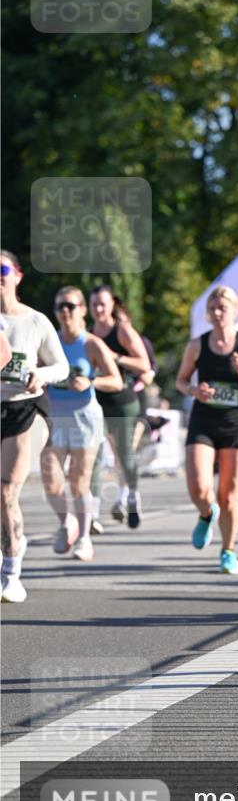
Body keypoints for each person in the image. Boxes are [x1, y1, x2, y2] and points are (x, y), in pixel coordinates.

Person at [176, 286, 238, 574]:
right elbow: (180, 381)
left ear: (235, 311)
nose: (216, 314)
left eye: (222, 308)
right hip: (203, 421)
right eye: (212, 309)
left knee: (228, 496)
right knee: (198, 486)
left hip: (235, 425)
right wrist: (193, 389)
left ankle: (228, 551)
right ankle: (206, 513)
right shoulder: (197, 345)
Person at [1, 250, 69, 603]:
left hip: (27, 407)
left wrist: (40, 374)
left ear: (17, 276)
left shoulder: (35, 321)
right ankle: (10, 543)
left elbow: (62, 367)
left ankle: (11, 573)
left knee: (8, 488)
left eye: (2, 268)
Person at [40, 288, 123, 561]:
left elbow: (116, 380)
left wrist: (91, 381)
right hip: (54, 417)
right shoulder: (49, 342)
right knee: (51, 482)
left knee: (78, 482)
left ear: (82, 310)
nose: (65, 311)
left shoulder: (91, 344)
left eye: (71, 306)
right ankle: (68, 522)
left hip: (84, 417)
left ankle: (85, 539)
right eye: (59, 306)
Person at [89, 285, 151, 529]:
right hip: (95, 403)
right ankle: (92, 513)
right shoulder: (89, 334)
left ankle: (132, 496)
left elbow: (144, 364)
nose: (99, 309)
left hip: (123, 402)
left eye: (103, 304)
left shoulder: (122, 330)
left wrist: (114, 357)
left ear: (112, 305)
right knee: (93, 455)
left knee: (124, 455)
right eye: (94, 305)